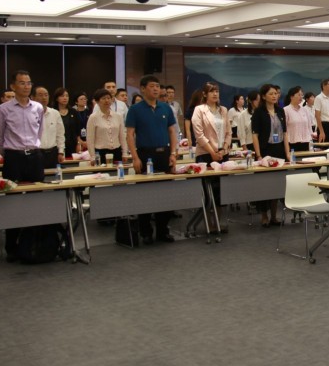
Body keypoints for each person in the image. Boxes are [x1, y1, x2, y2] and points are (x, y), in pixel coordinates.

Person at [0, 69, 46, 260]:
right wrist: (8, 154)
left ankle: (33, 243)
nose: (26, 86)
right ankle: (11, 247)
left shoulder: (38, 107)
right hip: (14, 158)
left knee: (36, 201)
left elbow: (39, 132)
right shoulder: (3, 109)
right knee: (12, 203)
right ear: (13, 86)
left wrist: (33, 148)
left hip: (34, 157)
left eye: (29, 83)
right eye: (22, 83)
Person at [125, 75, 179, 244]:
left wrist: (173, 153)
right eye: (152, 86)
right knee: (145, 194)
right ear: (142, 89)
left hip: (164, 153)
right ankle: (146, 232)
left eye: (157, 86)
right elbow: (130, 134)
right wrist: (134, 157)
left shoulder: (165, 108)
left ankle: (163, 230)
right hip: (144, 154)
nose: (156, 89)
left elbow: (172, 131)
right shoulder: (135, 109)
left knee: (165, 193)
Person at [251, 83, 289, 227]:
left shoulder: (280, 111)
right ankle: (264, 215)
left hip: (279, 150)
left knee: (277, 184)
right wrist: (258, 155)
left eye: (276, 93)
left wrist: (287, 152)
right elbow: (255, 135)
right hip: (265, 150)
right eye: (271, 94)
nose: (274, 96)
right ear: (264, 96)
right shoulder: (259, 112)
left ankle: (274, 215)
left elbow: (285, 133)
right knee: (264, 185)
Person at [192, 82, 230, 210]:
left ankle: (219, 218)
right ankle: (209, 219)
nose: (215, 94)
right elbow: (199, 135)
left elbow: (228, 133)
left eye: (217, 91)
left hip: (222, 154)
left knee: (222, 192)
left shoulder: (223, 110)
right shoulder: (199, 110)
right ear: (204, 94)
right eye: (212, 91)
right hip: (205, 154)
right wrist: (212, 152)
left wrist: (224, 149)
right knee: (209, 192)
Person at [87, 88, 128, 164]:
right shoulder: (93, 117)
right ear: (97, 101)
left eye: (108, 98)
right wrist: (92, 156)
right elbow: (90, 139)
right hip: (100, 152)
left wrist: (124, 153)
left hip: (117, 151)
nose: (107, 100)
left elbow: (122, 136)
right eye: (103, 98)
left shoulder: (118, 116)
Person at [32, 85, 65, 170]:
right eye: (40, 95)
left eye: (46, 95)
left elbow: (60, 135)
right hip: (36, 153)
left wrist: (61, 152)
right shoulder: (29, 114)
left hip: (53, 153)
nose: (44, 98)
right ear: (32, 97)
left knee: (54, 176)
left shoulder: (55, 113)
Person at [53, 87, 82, 159]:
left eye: (67, 96)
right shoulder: (53, 112)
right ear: (57, 98)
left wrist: (78, 144)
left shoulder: (73, 112)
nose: (65, 98)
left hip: (72, 144)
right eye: (62, 96)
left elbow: (77, 130)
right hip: (57, 145)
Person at [283, 86, 312, 154]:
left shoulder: (305, 110)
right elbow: (284, 129)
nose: (301, 97)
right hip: (292, 143)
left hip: (305, 142)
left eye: (302, 95)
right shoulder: (285, 110)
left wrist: (311, 139)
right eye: (299, 95)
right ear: (291, 97)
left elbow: (309, 127)